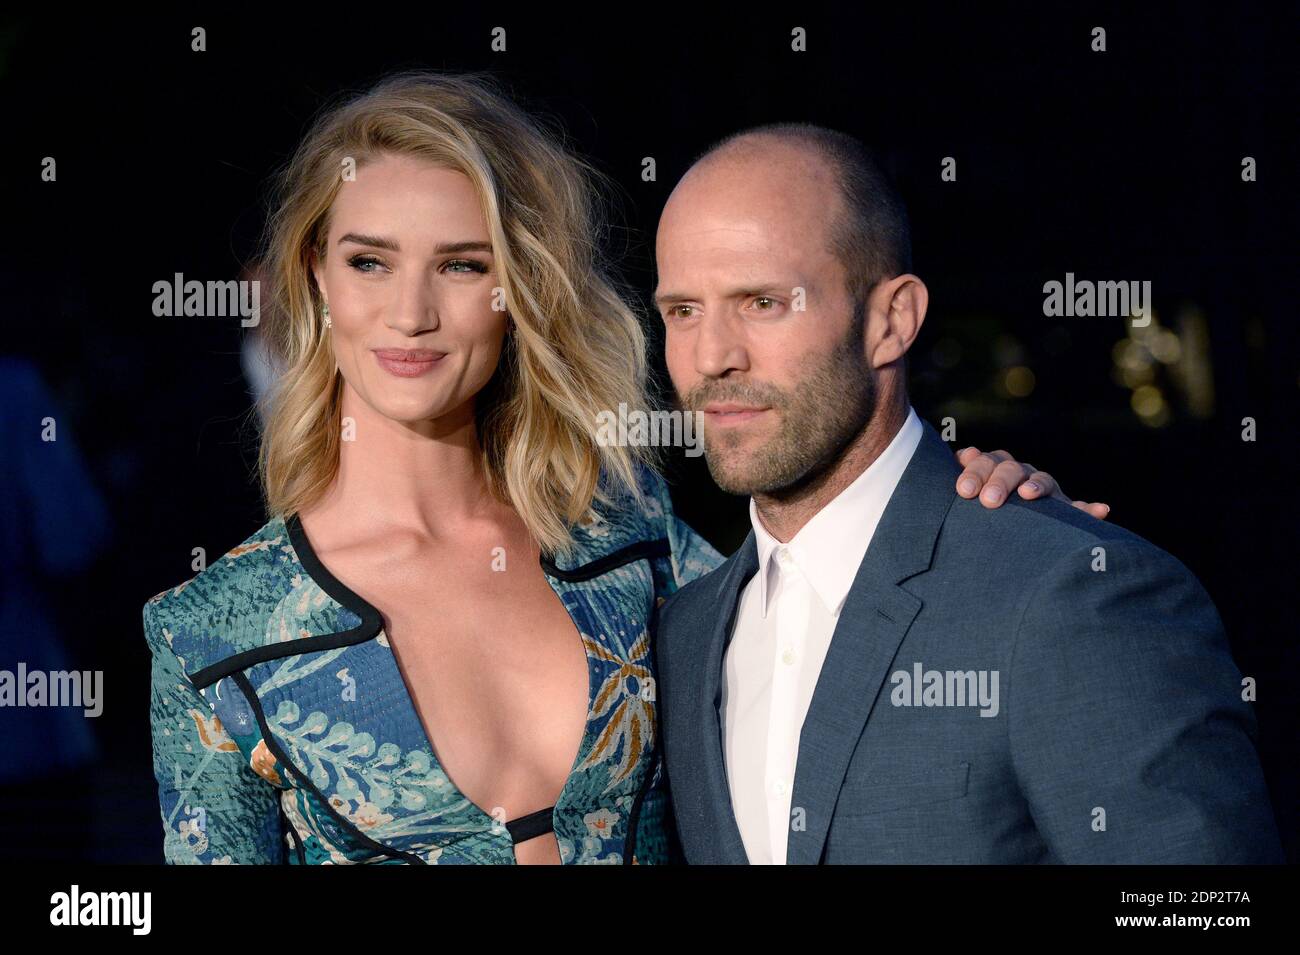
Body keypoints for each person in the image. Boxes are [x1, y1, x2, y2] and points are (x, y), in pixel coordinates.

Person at [144, 73, 1088, 865]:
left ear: (520, 288)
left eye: (464, 266)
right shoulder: (212, 639)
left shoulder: (633, 545)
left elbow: (853, 645)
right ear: (317, 273)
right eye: (370, 261)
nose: (411, 314)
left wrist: (982, 531)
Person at [652, 123, 1284, 864]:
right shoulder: (683, 634)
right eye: (683, 310)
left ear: (892, 320)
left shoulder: (1071, 595)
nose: (712, 356)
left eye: (762, 302)